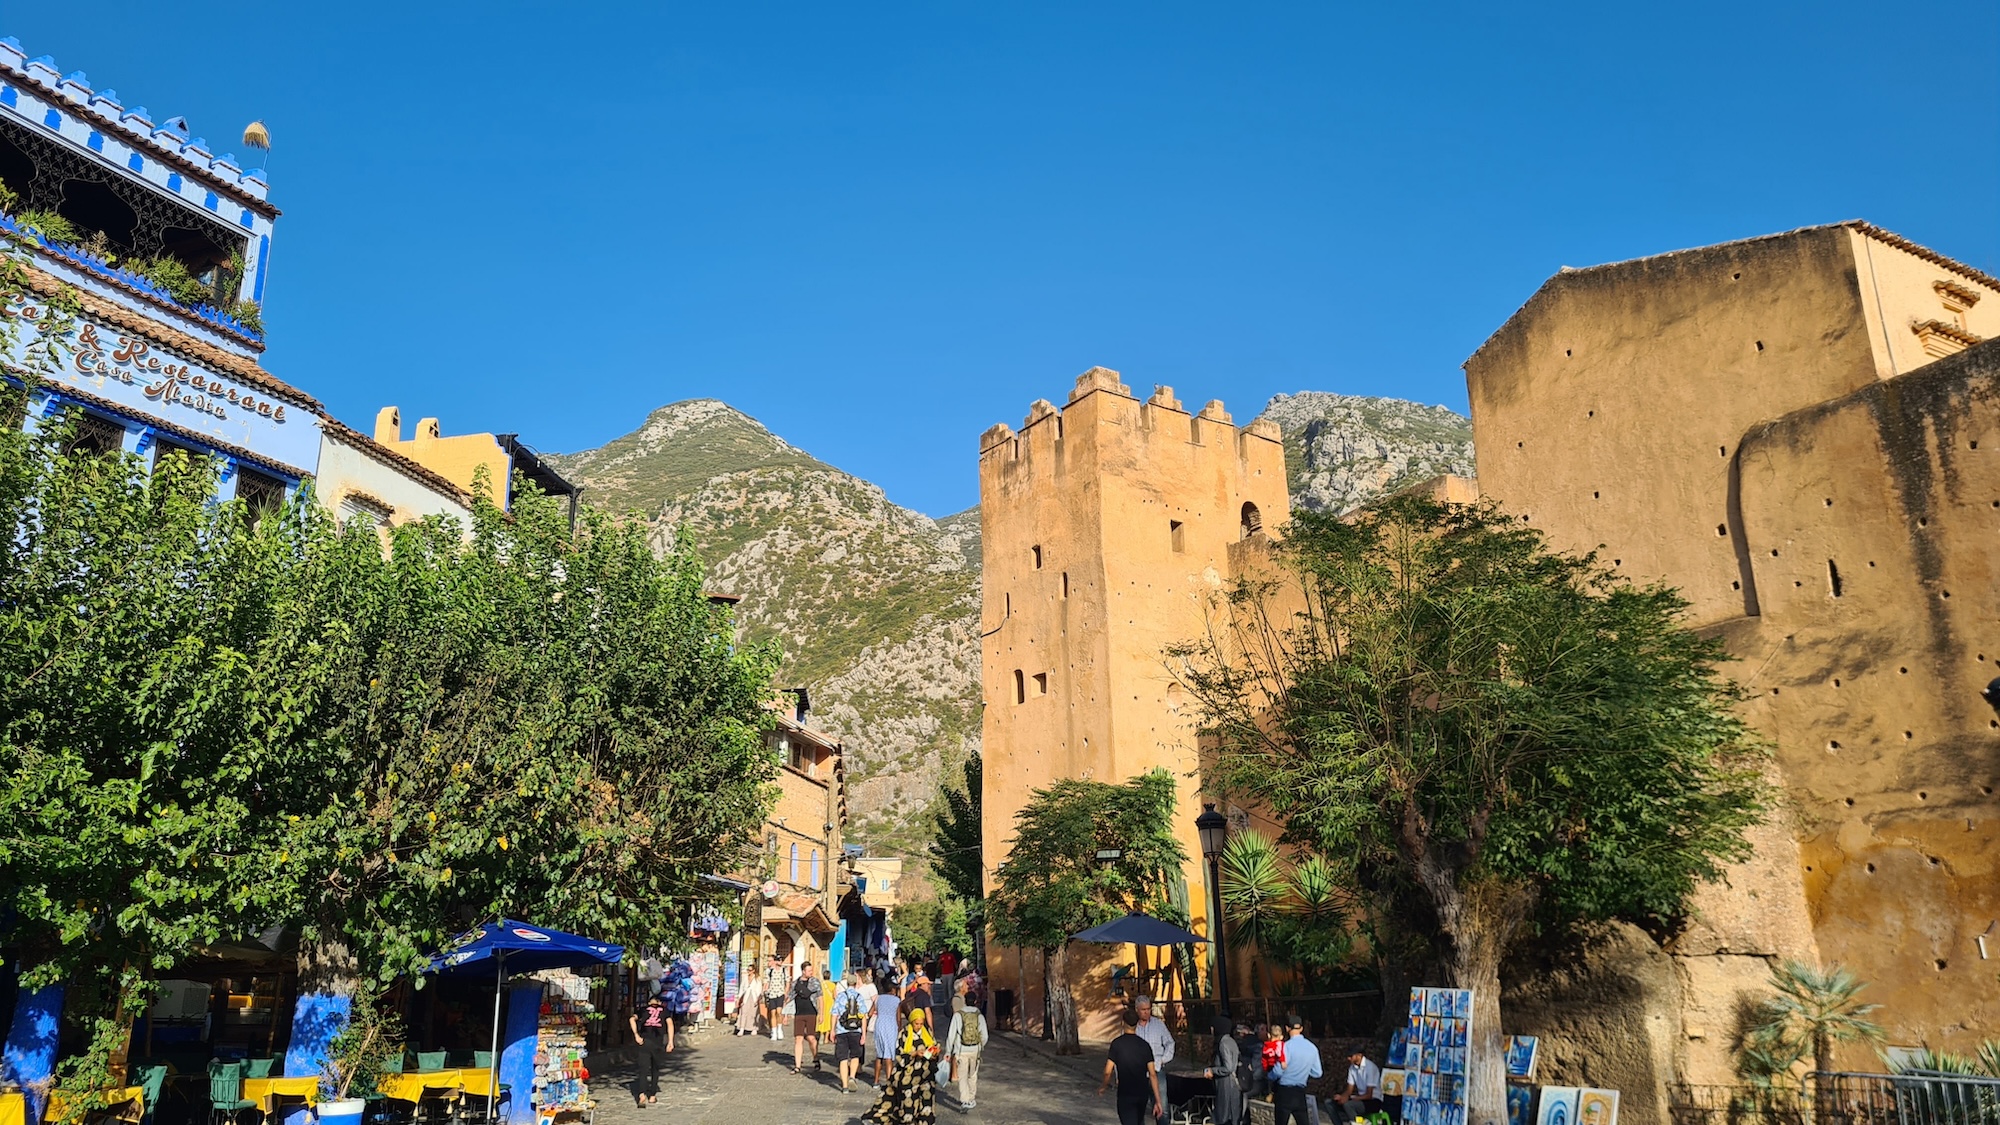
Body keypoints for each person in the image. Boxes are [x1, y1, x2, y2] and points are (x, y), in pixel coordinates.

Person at [862, 1003, 940, 1125]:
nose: (919, 1026)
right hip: (908, 1076)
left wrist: (934, 1052)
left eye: (921, 1023)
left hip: (926, 1074)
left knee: (926, 1101)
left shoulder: (927, 1032)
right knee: (907, 1103)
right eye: (916, 1024)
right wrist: (914, 1054)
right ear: (911, 1022)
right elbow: (899, 1054)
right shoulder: (904, 1034)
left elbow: (932, 1048)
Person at [1098, 1008, 1163, 1125]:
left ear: (1123, 1023)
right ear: (1137, 1024)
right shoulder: (1145, 1046)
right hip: (1142, 1093)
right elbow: (1152, 1074)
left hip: (1125, 1093)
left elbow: (1108, 1071)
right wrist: (1158, 1101)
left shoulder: (1117, 1044)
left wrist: (1103, 1086)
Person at [1267, 1014, 1323, 1125]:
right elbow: (1317, 1073)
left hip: (1284, 1092)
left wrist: (1269, 1075)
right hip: (1300, 1093)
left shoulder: (1285, 1047)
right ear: (1301, 1028)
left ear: (1287, 1028)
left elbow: (1278, 1071)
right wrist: (1304, 1070)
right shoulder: (1312, 1048)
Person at [1132, 996, 1175, 1123]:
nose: (1146, 1012)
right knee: (1138, 1108)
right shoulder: (1132, 1027)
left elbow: (1170, 1043)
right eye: (1143, 1009)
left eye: (1148, 1009)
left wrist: (1162, 1060)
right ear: (1137, 1009)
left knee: (1162, 1107)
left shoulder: (1158, 1025)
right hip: (1138, 1072)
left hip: (1157, 1070)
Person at [941, 995, 986, 1112]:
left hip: (961, 1050)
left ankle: (964, 1101)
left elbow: (951, 1035)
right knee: (972, 1075)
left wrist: (948, 1051)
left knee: (962, 1076)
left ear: (965, 1001)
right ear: (975, 1001)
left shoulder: (958, 1015)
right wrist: (980, 1046)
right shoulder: (979, 1015)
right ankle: (971, 1098)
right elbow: (984, 1035)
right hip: (975, 1050)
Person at [628, 990, 673, 1106]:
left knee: (643, 1069)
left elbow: (631, 1019)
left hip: (644, 1042)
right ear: (659, 1003)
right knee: (655, 1069)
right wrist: (670, 1041)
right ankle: (652, 1096)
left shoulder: (643, 1009)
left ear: (649, 1002)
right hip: (657, 1043)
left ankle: (642, 1094)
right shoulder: (665, 1011)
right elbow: (670, 1024)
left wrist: (636, 1035)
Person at [1203, 1014, 1245, 1125]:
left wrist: (1213, 1070)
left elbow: (1229, 1067)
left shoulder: (1223, 1043)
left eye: (1213, 1026)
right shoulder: (1230, 1040)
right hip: (1232, 1083)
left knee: (1224, 1115)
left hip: (1226, 1084)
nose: (1211, 1029)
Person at [832, 970, 870, 1094]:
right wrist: (864, 1033)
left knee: (843, 1058)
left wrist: (832, 1030)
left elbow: (834, 1014)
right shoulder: (859, 997)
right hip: (856, 1030)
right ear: (856, 983)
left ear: (847, 983)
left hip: (842, 1030)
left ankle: (844, 1086)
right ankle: (852, 1077)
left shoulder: (840, 996)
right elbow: (863, 1016)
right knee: (855, 1056)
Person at [1332, 1049, 1382, 1124]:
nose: (1348, 1058)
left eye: (1351, 1056)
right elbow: (1349, 1090)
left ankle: (1359, 1123)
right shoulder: (1352, 1068)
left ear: (1359, 1055)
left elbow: (1369, 1095)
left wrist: (1352, 1098)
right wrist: (1342, 1097)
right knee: (1330, 1103)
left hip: (1374, 1101)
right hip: (1361, 1099)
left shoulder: (1370, 1067)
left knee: (1349, 1105)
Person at [871, 976, 905, 1086]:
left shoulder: (878, 998)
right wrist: (899, 1029)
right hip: (891, 1026)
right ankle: (889, 1081)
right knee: (889, 1055)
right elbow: (898, 1018)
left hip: (879, 1025)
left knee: (879, 1055)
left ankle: (876, 1081)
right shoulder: (896, 1000)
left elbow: (871, 1012)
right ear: (893, 990)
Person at [791, 959, 823, 1073]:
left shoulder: (815, 982)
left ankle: (815, 1057)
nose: (811, 972)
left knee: (811, 1038)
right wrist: (784, 1014)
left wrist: (821, 1014)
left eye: (811, 970)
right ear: (803, 971)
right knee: (798, 1038)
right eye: (809, 970)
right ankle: (797, 1066)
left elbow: (820, 998)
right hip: (799, 1013)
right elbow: (790, 997)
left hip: (811, 1012)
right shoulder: (796, 983)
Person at [763, 956, 790, 1041]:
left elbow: (787, 982)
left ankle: (779, 1029)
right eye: (777, 960)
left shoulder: (784, 970)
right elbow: (766, 982)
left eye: (780, 960)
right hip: (772, 994)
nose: (779, 962)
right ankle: (774, 1032)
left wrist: (786, 992)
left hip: (780, 993)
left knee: (779, 1012)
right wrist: (764, 990)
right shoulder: (769, 971)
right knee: (772, 1013)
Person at [734, 965, 763, 1036]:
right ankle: (742, 1028)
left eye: (750, 970)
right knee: (743, 1012)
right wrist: (739, 997)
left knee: (753, 1013)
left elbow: (759, 989)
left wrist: (758, 998)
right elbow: (742, 988)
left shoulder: (757, 978)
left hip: (754, 997)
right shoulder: (745, 978)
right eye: (748, 970)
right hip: (746, 996)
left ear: (753, 971)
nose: (748, 971)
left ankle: (754, 1028)